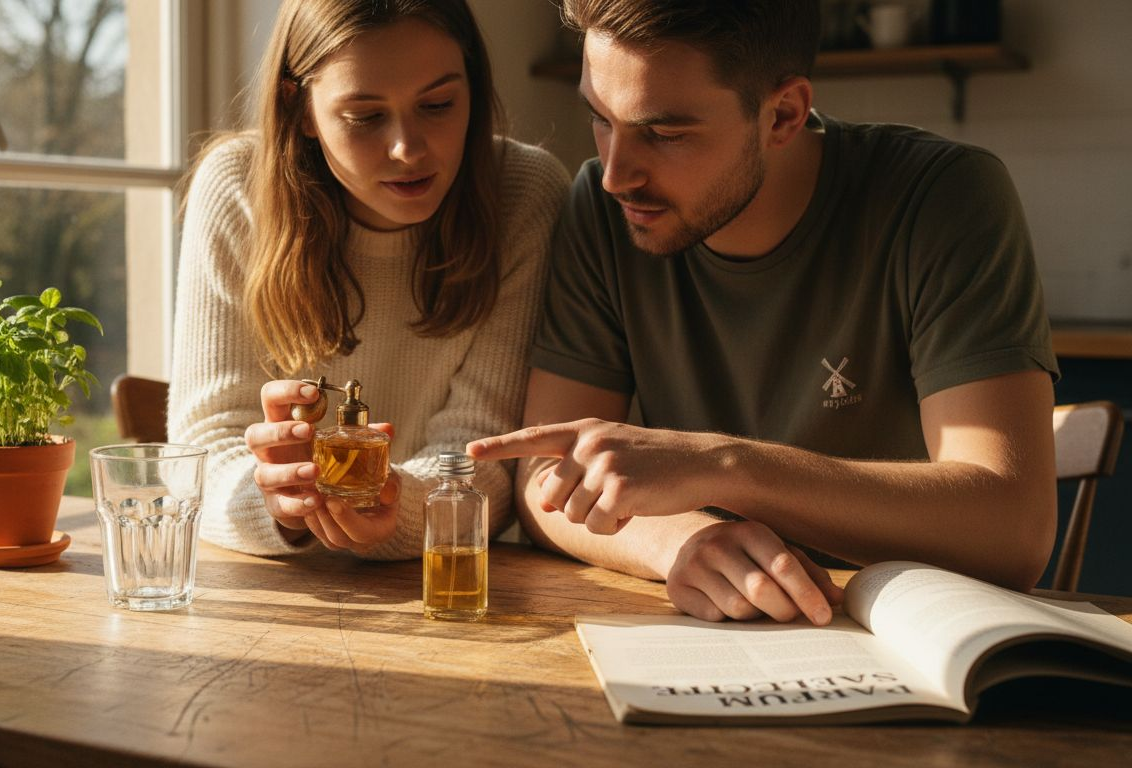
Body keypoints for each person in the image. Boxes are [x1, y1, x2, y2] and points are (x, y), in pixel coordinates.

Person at [467, 0, 1059, 625]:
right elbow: (543, 480)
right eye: (601, 119)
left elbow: (1011, 531)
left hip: (907, 633)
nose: (617, 173)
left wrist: (723, 467)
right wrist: (680, 543)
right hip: (716, 638)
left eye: (663, 134)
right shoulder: (602, 209)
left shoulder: (944, 197)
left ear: (783, 115)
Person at [168, 0, 569, 559]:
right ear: (300, 106)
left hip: (439, 589)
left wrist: (392, 506)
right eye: (364, 116)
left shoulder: (525, 193)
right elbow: (203, 450)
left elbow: (489, 458)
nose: (408, 147)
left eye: (438, 104)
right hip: (273, 592)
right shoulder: (235, 186)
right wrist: (280, 505)